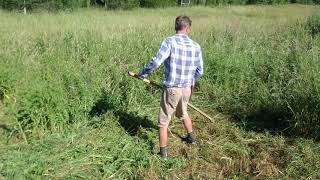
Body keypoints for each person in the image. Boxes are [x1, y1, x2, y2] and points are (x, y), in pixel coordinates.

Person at [138, 15, 203, 160]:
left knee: (163, 122)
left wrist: (143, 73)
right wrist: (188, 80)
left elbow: (156, 62)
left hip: (172, 89)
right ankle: (192, 139)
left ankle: (163, 155)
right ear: (188, 28)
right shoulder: (196, 46)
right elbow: (200, 71)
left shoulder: (170, 41)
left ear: (176, 26)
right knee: (183, 112)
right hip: (187, 89)